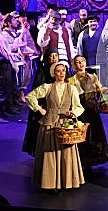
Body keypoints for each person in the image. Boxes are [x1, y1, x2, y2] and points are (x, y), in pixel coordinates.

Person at [25, 62, 85, 194]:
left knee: (66, 154)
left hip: (65, 126)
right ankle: (50, 183)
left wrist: (73, 113)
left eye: (63, 70)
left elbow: (79, 107)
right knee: (50, 154)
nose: (61, 73)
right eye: (58, 71)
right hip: (50, 124)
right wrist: (39, 109)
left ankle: (66, 181)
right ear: (54, 73)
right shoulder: (47, 87)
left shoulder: (72, 88)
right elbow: (30, 97)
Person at [68, 55, 108, 171]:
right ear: (74, 65)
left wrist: (107, 90)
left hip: (93, 109)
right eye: (77, 62)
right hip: (82, 110)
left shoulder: (93, 76)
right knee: (85, 135)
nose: (80, 64)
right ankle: (84, 160)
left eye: (82, 61)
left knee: (95, 133)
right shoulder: (72, 80)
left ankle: (96, 158)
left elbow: (99, 90)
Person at [22, 47, 61, 157]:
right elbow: (37, 89)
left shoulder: (61, 70)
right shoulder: (42, 71)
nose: (53, 58)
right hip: (45, 103)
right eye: (51, 56)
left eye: (56, 56)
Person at [0, 12, 22, 123]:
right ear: (1, 22)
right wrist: (17, 55)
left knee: (6, 88)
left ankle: (0, 113)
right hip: (4, 64)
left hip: (4, 63)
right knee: (3, 90)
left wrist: (15, 46)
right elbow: (5, 53)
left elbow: (6, 49)